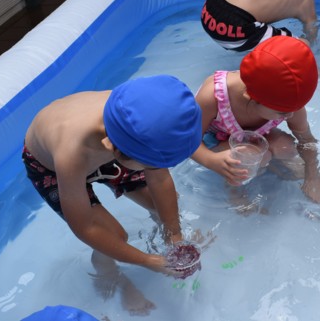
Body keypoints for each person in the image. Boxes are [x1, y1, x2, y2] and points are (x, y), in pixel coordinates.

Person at [23, 75, 202, 313]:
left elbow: (159, 178)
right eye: (150, 165)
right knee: (114, 235)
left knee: (162, 206)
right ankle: (109, 271)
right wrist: (147, 261)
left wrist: (174, 234)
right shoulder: (72, 153)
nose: (156, 169)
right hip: (51, 167)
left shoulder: (138, 118)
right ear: (115, 151)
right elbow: (84, 227)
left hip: (115, 147)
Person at [192, 35, 320, 203]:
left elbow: (306, 140)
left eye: (294, 109)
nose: (290, 116)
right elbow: (187, 142)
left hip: (256, 138)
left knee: (286, 147)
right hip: (215, 141)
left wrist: (313, 175)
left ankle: (270, 164)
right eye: (282, 113)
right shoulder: (213, 96)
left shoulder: (290, 102)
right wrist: (212, 161)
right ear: (250, 96)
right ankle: (233, 190)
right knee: (251, 156)